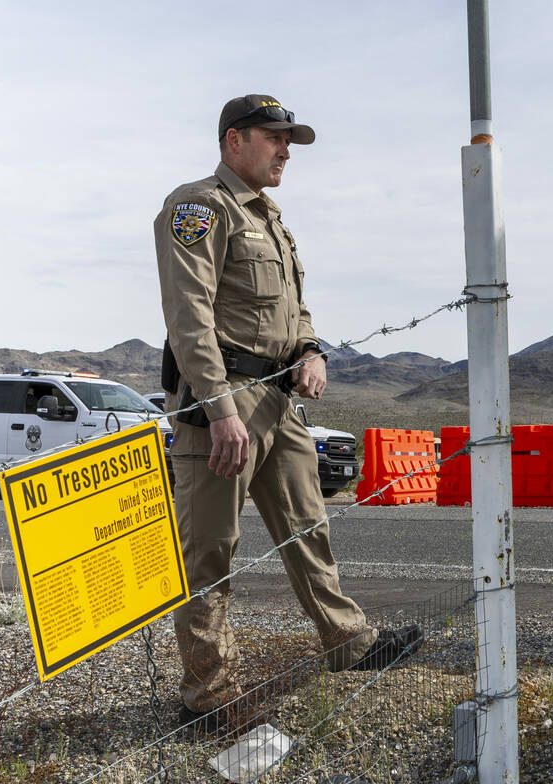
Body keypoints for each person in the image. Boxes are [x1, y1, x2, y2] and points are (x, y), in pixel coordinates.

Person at [154, 94, 423, 733]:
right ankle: (209, 690)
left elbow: (293, 310)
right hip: (225, 402)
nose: (285, 151)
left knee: (309, 527)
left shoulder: (271, 218)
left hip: (280, 400)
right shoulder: (198, 207)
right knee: (209, 551)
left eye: (289, 141)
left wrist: (310, 350)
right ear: (233, 141)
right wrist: (219, 410)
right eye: (274, 138)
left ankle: (347, 642)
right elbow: (188, 316)